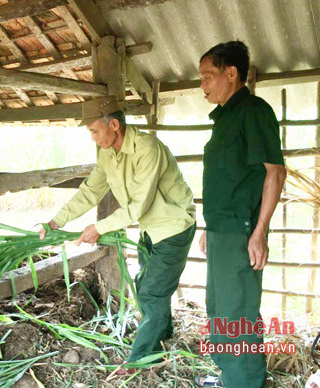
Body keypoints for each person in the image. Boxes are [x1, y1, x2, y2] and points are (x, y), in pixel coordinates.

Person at [39, 96, 196, 370]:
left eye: (95, 130)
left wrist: (97, 228)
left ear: (114, 125)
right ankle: (163, 334)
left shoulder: (148, 149)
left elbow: (138, 206)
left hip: (172, 227)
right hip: (151, 228)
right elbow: (91, 190)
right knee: (146, 282)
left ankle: (142, 360)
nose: (93, 138)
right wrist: (56, 221)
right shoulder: (107, 153)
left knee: (151, 292)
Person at [196, 41, 286, 388]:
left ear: (231, 73)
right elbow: (227, 179)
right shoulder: (224, 118)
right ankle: (229, 376)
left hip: (242, 232)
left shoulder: (253, 111)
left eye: (207, 76)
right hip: (222, 230)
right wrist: (210, 226)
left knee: (238, 314)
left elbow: (275, 173)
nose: (202, 85)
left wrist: (260, 232)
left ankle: (245, 382)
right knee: (217, 309)